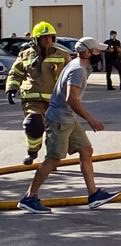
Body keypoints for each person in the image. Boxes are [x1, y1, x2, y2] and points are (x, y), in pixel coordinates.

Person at [18, 38, 119, 214]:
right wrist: (91, 119)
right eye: (96, 51)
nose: (99, 54)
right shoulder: (78, 70)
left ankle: (94, 194)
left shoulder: (77, 64)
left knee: (86, 150)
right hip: (59, 119)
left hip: (67, 118)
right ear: (87, 53)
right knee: (53, 159)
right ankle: (29, 197)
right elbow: (71, 99)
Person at [4, 21, 72, 165]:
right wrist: (11, 88)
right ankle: (32, 151)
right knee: (33, 125)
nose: (47, 40)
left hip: (56, 101)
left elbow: (70, 76)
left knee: (53, 132)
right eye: (43, 37)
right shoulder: (25, 55)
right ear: (36, 39)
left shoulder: (63, 55)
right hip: (32, 99)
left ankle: (50, 160)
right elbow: (15, 73)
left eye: (50, 37)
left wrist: (71, 95)